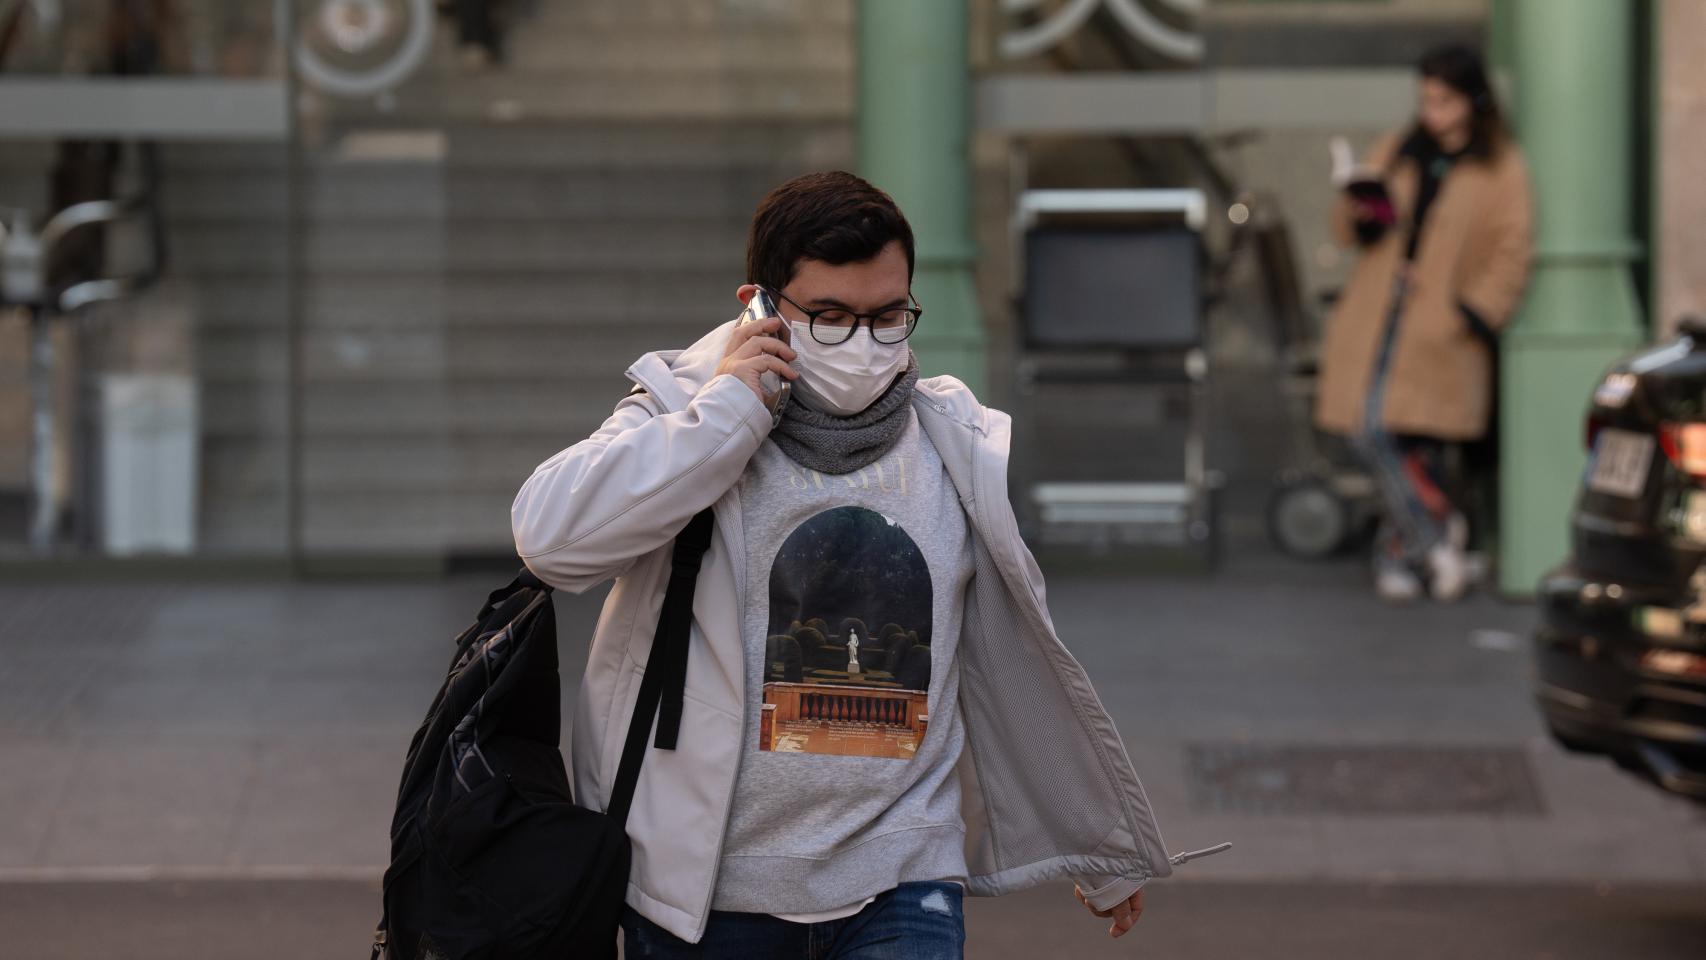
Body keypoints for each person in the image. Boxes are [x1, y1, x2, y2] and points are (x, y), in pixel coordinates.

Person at [511, 171, 1226, 957]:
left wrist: (1099, 845)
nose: (863, 341)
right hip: (704, 896)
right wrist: (726, 414)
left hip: (901, 876)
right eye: (828, 317)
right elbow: (550, 541)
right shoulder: (682, 407)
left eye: (888, 315)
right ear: (758, 303)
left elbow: (1013, 666)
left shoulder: (954, 442)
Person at [1314, 44, 1533, 603]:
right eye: (1426, 99)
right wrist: (1361, 210)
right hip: (1377, 315)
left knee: (1413, 439)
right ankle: (1436, 534)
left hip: (1439, 330)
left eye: (1444, 100)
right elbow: (1349, 230)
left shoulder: (1500, 167)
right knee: (1369, 429)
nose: (1431, 111)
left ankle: (1404, 555)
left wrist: (1469, 313)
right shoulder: (1400, 149)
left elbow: (1512, 251)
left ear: (1472, 100)